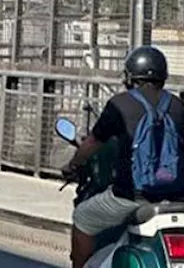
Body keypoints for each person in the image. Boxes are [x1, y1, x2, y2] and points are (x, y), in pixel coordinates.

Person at [62, 46, 184, 268]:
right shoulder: (178, 106)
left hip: (131, 197)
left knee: (83, 217)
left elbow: (92, 143)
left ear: (129, 76)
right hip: (176, 198)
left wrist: (73, 164)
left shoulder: (120, 104)